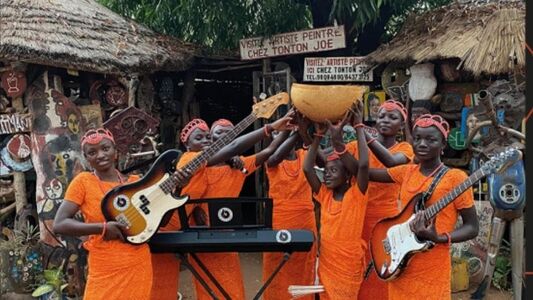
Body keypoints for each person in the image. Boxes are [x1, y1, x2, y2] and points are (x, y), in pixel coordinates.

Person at [53, 128, 190, 299]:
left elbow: (160, 221)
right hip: (104, 265)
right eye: (92, 152)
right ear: (87, 158)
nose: (100, 155)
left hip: (137, 262)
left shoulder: (136, 183)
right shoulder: (83, 182)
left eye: (105, 148)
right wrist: (102, 228)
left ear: (115, 152)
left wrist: (179, 186)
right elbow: (59, 224)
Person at [175, 113, 294, 300]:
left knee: (232, 286)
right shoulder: (197, 163)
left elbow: (269, 151)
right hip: (198, 234)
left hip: (227, 235)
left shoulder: (238, 166)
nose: (221, 138)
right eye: (217, 134)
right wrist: (197, 209)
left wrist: (290, 130)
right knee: (207, 288)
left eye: (229, 134)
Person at [369, 114, 479, 299]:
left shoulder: (455, 178)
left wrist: (439, 238)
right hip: (401, 262)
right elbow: (368, 173)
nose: (422, 144)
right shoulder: (407, 172)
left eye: (431, 139)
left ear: (443, 145)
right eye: (417, 138)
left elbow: (472, 227)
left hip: (432, 267)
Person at [302, 101, 369, 299]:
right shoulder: (325, 195)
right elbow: (307, 168)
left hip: (348, 267)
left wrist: (358, 126)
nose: (327, 175)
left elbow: (363, 166)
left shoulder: (357, 195)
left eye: (333, 171)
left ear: (347, 176)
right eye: (326, 170)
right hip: (327, 263)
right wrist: (318, 136)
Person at [352, 100, 414, 300]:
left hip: (385, 221)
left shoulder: (405, 148)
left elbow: (390, 163)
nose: (386, 120)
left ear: (401, 125)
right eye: (381, 116)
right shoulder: (359, 144)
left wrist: (361, 130)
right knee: (357, 267)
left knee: (381, 267)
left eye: (392, 117)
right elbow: (328, 160)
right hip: (356, 217)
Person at [261, 128, 318, 300]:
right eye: (277, 133)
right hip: (279, 222)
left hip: (306, 222)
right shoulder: (271, 161)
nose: (281, 136)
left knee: (304, 267)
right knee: (277, 268)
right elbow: (276, 156)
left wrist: (303, 131)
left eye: (284, 133)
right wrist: (298, 130)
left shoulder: (305, 155)